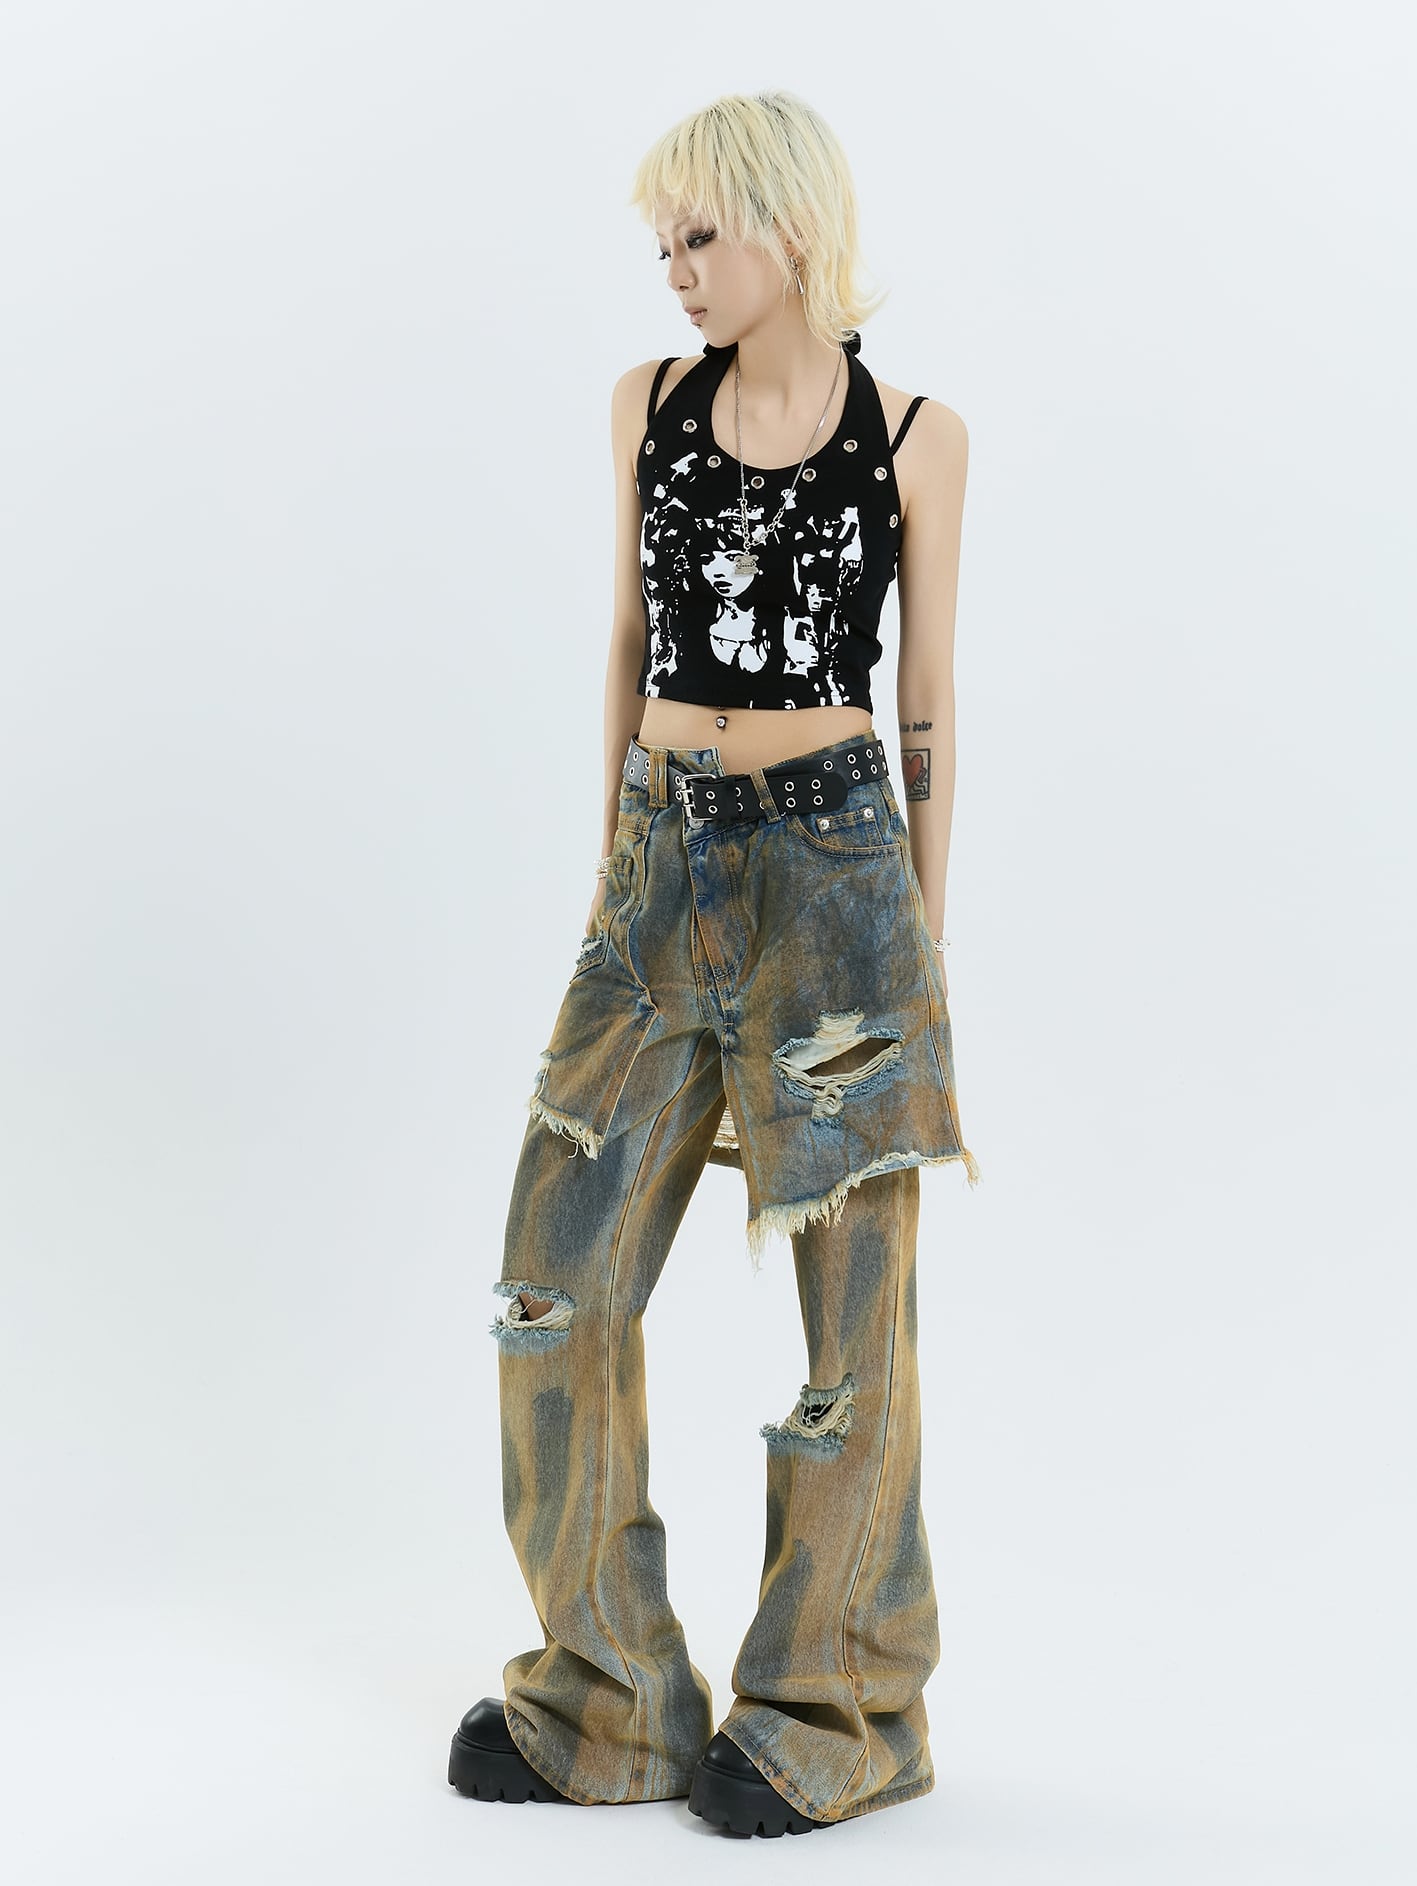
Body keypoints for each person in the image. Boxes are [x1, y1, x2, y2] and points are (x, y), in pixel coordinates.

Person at [447, 88, 981, 1837]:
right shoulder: (646, 404)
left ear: (787, 227)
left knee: (852, 1328)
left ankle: (840, 1702)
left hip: (838, 882)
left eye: (699, 234)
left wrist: (921, 944)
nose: (673, 269)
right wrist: (612, 870)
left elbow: (923, 704)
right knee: (555, 1276)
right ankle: (606, 1697)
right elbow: (624, 640)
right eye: (660, 241)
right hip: (658, 863)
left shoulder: (915, 438)